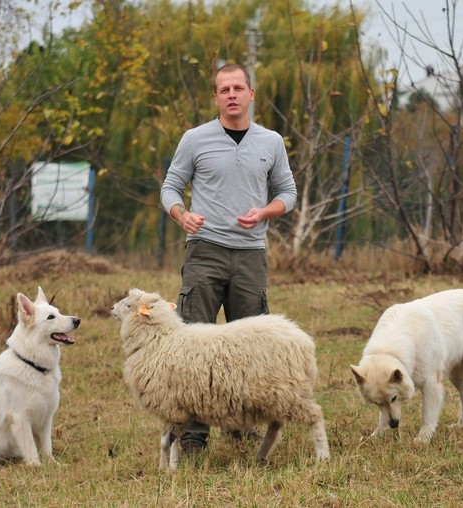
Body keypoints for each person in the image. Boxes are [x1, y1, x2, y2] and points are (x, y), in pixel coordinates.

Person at [160, 63, 297, 453]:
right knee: (194, 343)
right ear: (216, 97)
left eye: (239, 88)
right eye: (224, 89)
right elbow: (170, 187)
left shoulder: (271, 141)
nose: (232, 95)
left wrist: (265, 212)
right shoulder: (195, 138)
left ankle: (240, 426)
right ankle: (192, 435)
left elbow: (288, 193)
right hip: (205, 250)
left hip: (251, 253)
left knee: (248, 345)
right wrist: (181, 214)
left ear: (251, 94)